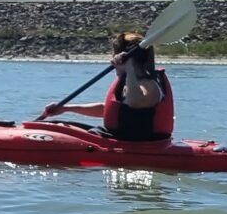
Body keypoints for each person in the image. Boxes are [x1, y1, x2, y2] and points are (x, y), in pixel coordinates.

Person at [42, 31, 175, 142]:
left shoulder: (149, 85)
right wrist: (66, 108)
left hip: (137, 145)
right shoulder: (131, 83)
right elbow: (113, 110)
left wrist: (129, 69)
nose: (112, 61)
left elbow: (135, 102)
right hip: (113, 137)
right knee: (53, 125)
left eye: (114, 56)